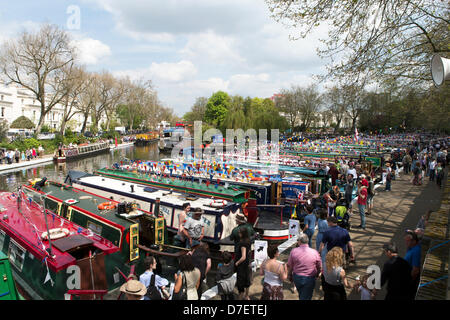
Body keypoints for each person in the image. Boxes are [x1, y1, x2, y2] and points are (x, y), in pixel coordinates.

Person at [287, 233, 322, 300]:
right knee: (306, 296)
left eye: (297, 240)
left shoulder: (293, 251)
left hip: (297, 277)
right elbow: (319, 266)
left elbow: (290, 265)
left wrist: (289, 275)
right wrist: (318, 273)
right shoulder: (314, 252)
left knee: (302, 294)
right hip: (310, 278)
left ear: (299, 241)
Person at [235, 227, 252, 300]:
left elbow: (243, 256)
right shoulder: (248, 241)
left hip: (242, 266)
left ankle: (240, 298)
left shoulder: (242, 244)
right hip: (247, 263)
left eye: (239, 233)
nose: (238, 234)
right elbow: (249, 252)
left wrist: (237, 263)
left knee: (241, 284)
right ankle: (247, 295)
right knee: (247, 280)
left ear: (243, 234)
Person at [404, 230, 421, 298]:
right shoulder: (411, 247)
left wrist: (409, 282)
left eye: (408, 241)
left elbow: (415, 270)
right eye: (405, 240)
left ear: (414, 241)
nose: (406, 242)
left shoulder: (416, 251)